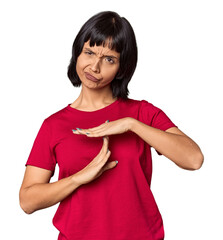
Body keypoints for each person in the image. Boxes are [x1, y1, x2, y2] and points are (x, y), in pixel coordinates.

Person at [19, 11, 204, 240]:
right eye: (89, 52)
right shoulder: (54, 125)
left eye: (109, 59)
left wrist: (131, 125)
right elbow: (27, 201)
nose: (94, 67)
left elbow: (194, 159)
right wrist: (79, 177)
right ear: (77, 52)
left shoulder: (141, 113)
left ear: (122, 68)